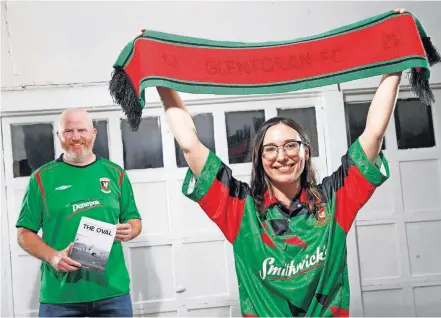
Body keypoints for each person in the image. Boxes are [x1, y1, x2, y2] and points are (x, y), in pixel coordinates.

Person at [154, 9, 405, 316]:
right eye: (270, 149)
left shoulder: (335, 200)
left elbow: (374, 133)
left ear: (306, 152)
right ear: (260, 160)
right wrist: (159, 75)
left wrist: (398, 58)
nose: (282, 156)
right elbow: (190, 145)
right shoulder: (240, 210)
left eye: (290, 145)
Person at [16, 108, 142, 317]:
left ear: (93, 133)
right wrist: (53, 257)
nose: (76, 137)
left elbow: (134, 218)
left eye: (82, 130)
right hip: (60, 299)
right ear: (59, 136)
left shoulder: (115, 174)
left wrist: (131, 229)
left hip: (112, 294)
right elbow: (24, 234)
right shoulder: (41, 179)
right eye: (68, 131)